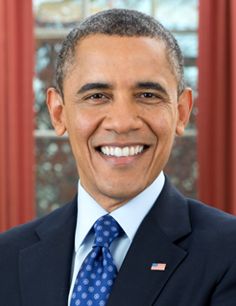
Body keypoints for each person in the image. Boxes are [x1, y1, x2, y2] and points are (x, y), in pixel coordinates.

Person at [0, 8, 236, 306]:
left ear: (182, 111)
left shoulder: (228, 254)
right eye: (97, 96)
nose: (123, 122)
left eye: (148, 95)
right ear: (58, 113)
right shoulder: (6, 259)